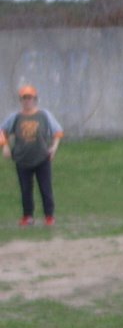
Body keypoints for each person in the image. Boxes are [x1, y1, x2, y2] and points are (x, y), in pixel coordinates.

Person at [1, 85, 64, 228]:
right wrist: (5, 146)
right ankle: (28, 216)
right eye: (24, 98)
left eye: (30, 98)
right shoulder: (15, 117)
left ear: (35, 99)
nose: (27, 101)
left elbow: (58, 131)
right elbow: (2, 131)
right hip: (22, 159)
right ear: (21, 100)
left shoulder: (44, 115)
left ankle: (49, 216)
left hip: (42, 158)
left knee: (45, 188)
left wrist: (54, 147)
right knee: (25, 190)